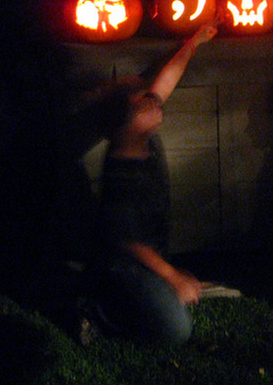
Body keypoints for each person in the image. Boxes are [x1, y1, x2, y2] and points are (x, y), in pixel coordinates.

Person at [84, 21, 218, 345]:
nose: (155, 101)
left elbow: (164, 84)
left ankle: (140, 297)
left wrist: (193, 42)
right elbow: (126, 240)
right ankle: (95, 311)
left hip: (151, 258)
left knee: (172, 313)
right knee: (176, 331)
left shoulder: (144, 137)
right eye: (145, 101)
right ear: (125, 125)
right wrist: (173, 277)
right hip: (125, 265)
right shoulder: (122, 171)